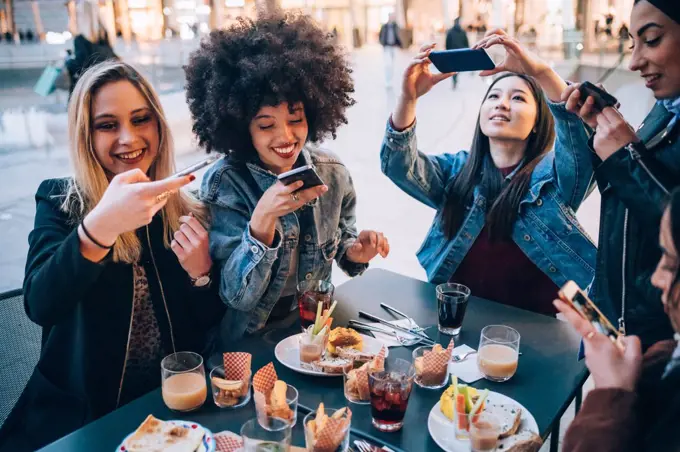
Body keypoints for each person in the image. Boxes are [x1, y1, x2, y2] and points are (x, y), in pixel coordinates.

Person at [0, 61, 224, 451]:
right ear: (85, 135)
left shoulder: (180, 209)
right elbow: (40, 302)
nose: (129, 138)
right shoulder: (59, 201)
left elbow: (205, 329)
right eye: (107, 125)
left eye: (141, 120)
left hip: (168, 413)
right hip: (81, 421)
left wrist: (201, 275)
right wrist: (101, 226)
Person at [184, 12, 389, 343]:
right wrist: (263, 219)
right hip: (249, 336)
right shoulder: (225, 184)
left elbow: (340, 240)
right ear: (241, 126)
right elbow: (237, 297)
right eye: (266, 125)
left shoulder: (332, 174)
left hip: (316, 328)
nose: (286, 136)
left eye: (296, 119)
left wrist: (355, 252)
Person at [380, 31, 596, 316]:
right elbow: (398, 165)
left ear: (536, 122)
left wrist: (542, 72)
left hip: (540, 333)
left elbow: (579, 145)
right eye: (493, 96)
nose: (502, 103)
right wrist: (408, 99)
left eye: (518, 98)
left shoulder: (552, 177)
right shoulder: (457, 171)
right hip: (457, 323)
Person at [561, 0, 680, 349]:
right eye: (632, 43)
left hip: (654, 344)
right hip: (613, 325)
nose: (634, 61)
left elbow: (672, 226)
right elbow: (624, 199)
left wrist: (626, 156)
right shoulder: (666, 109)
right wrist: (605, 140)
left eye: (652, 39)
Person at [557, 188, 680, 452]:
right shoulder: (666, 359)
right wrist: (642, 374)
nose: (656, 279)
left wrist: (611, 395)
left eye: (670, 264)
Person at [379, 13, 403, 88]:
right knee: (387, 64)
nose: (392, 18)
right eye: (391, 17)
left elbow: (399, 35)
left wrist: (400, 44)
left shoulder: (395, 26)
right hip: (386, 47)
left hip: (393, 47)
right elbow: (380, 36)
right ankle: (387, 80)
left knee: (391, 64)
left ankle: (390, 80)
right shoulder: (384, 26)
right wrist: (382, 43)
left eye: (394, 17)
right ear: (389, 17)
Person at [445, 17, 469, 89]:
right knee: (457, 67)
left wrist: (447, 51)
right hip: (460, 52)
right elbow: (466, 43)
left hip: (452, 52)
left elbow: (447, 43)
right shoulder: (462, 32)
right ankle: (455, 78)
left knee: (454, 67)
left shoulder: (450, 32)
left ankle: (454, 79)